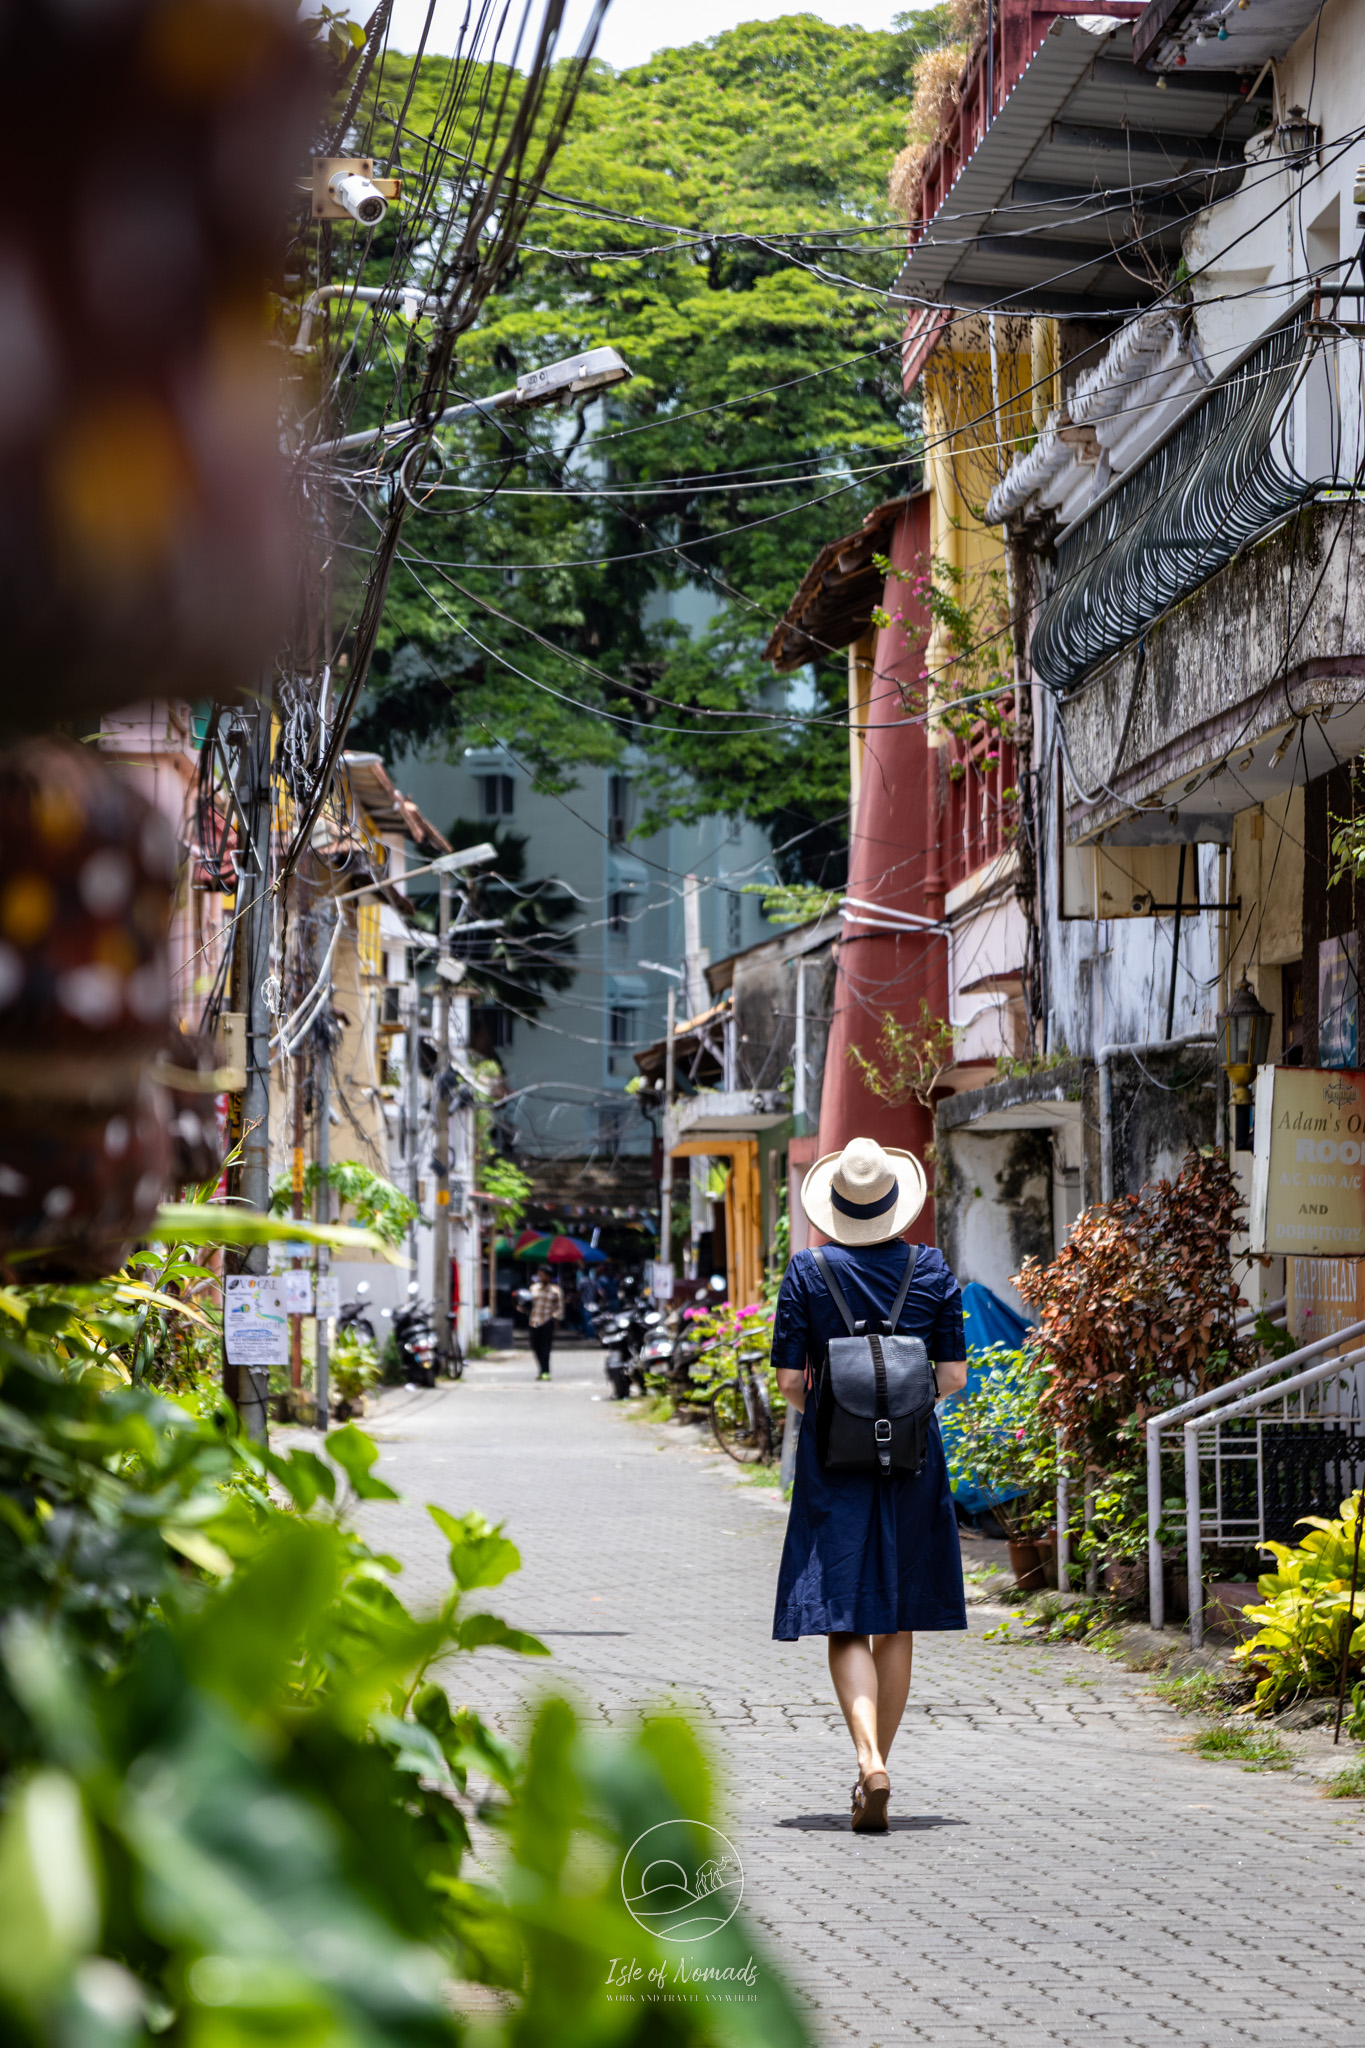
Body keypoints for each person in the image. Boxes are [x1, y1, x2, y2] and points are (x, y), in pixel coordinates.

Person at [772, 1137, 970, 1833]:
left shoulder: (804, 1271)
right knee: (898, 1613)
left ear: (834, 1205)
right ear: (895, 1202)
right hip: (914, 1458)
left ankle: (866, 1763)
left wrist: (839, 1414)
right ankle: (877, 1762)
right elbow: (951, 1377)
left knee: (843, 1611)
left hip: (834, 1463)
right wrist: (898, 1413)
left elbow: (792, 1382)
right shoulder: (931, 1269)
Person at [527, 1266, 563, 1379]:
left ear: (548, 1276)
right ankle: (541, 1370)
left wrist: (555, 1317)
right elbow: (529, 1305)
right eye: (539, 1274)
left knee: (546, 1347)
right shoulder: (533, 1288)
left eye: (542, 1274)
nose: (540, 1276)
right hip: (534, 1321)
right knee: (536, 1347)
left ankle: (545, 1371)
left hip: (547, 1321)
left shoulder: (555, 1290)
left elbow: (559, 1308)